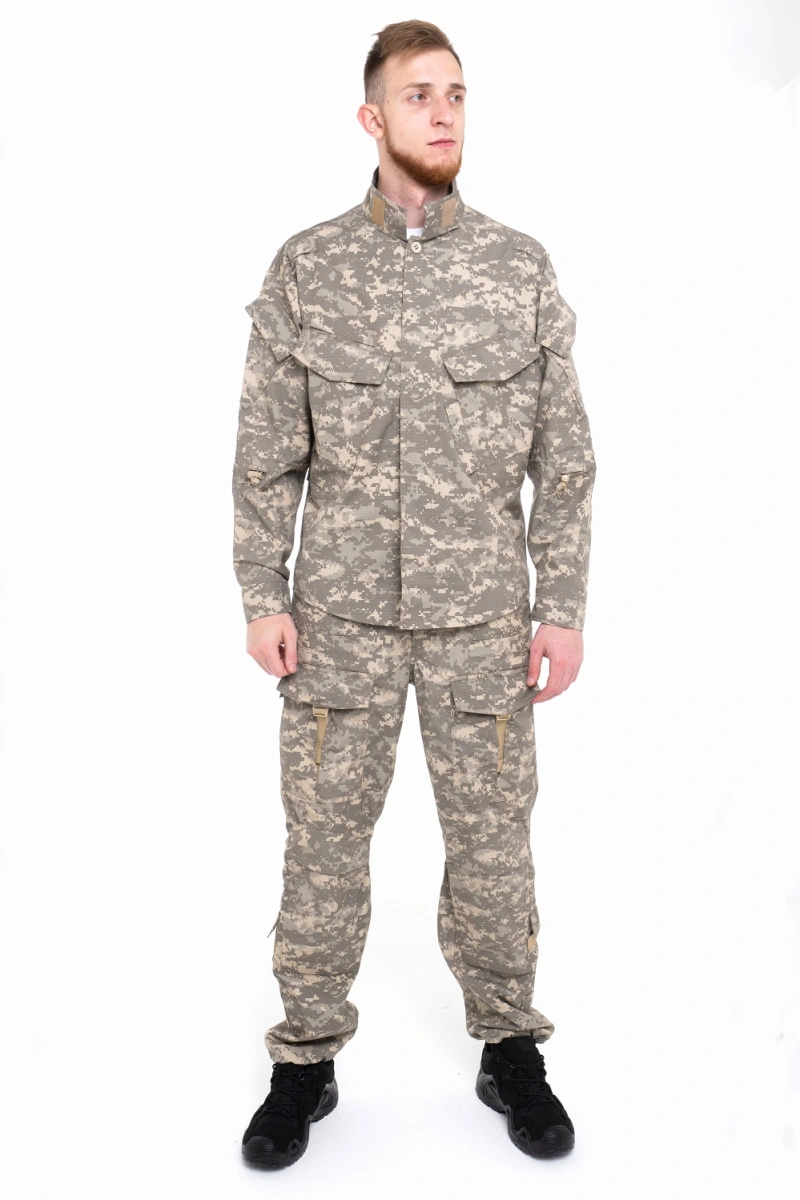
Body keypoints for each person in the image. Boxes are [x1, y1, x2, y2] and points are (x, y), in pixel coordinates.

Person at [233, 19, 596, 1170]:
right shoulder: (307, 268)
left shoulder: (515, 268)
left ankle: (508, 1046)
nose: (441, 113)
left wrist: (559, 605)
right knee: (321, 847)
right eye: (417, 95)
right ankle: (304, 1059)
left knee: (492, 846)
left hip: (480, 618)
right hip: (337, 620)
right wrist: (262, 592)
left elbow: (563, 457)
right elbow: (265, 456)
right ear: (371, 118)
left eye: (455, 94)